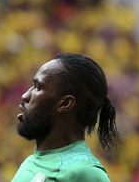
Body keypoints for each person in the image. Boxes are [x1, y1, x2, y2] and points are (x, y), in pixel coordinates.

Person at [11, 53, 119, 181]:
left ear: (65, 103)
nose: (25, 96)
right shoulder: (30, 163)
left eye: (37, 87)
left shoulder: (85, 172)